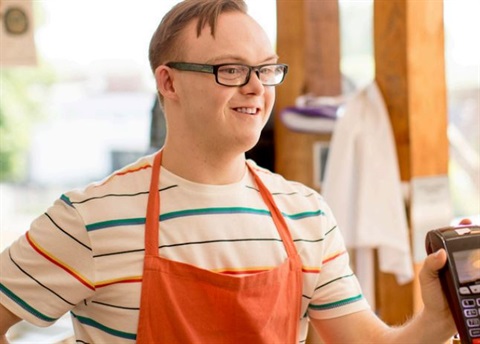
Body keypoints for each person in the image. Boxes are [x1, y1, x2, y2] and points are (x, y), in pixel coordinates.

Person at [0, 0, 464, 342]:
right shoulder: (90, 219)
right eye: (231, 70)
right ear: (169, 81)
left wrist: (439, 319)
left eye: (265, 70)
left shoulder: (307, 216)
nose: (256, 88)